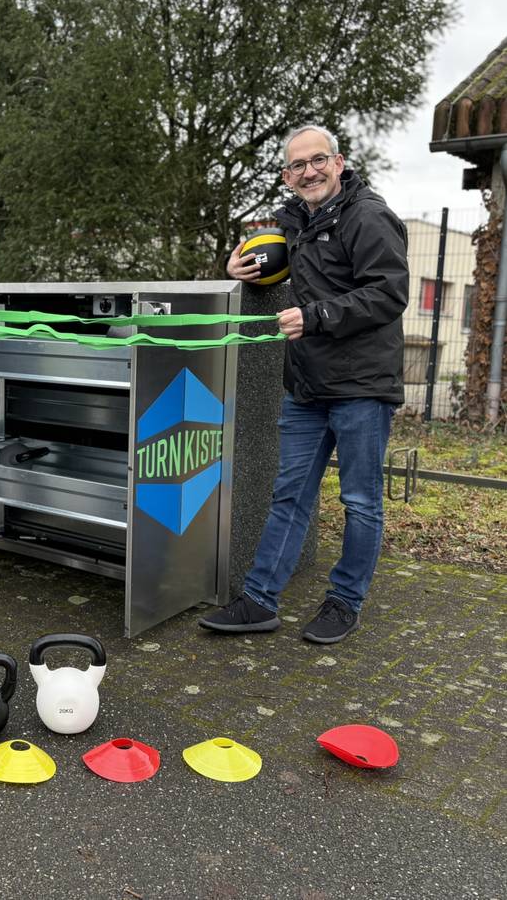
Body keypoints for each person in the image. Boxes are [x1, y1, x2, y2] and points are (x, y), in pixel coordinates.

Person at [200, 124, 409, 644]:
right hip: (307, 386)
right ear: (286, 175)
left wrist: (315, 316)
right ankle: (259, 601)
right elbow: (275, 263)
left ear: (338, 162)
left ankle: (344, 602)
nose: (309, 171)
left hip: (362, 387)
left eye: (318, 160)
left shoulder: (368, 216)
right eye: (297, 165)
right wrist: (236, 266)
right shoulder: (296, 221)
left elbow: (389, 293)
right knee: (289, 495)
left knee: (360, 502)